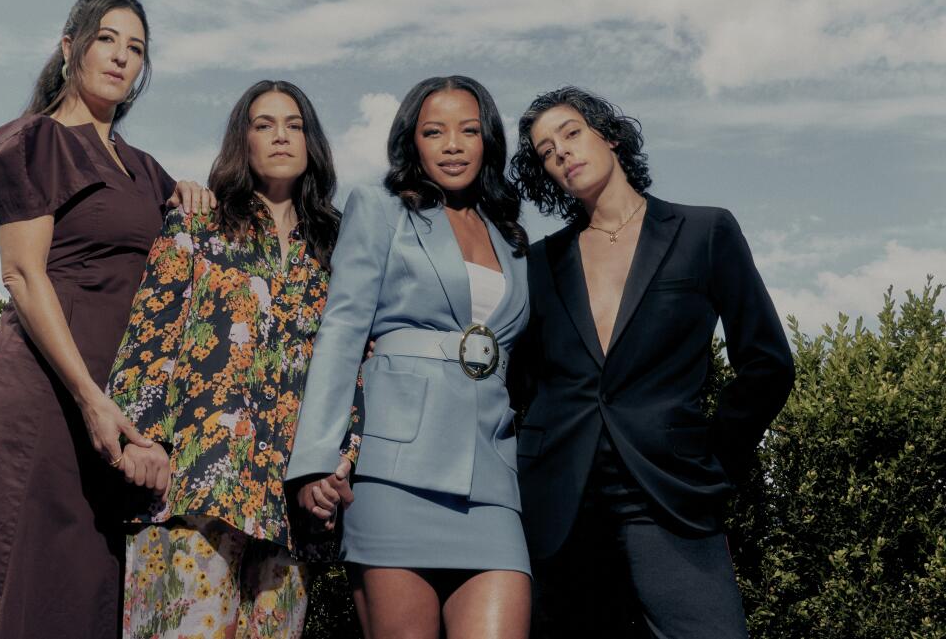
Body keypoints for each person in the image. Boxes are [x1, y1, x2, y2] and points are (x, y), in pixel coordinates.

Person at [0, 0, 210, 639]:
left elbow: (180, 258)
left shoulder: (145, 170)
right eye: (106, 39)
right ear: (70, 47)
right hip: (36, 409)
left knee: (77, 603)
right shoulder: (34, 143)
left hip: (105, 423)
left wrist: (193, 195)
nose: (121, 57)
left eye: (137, 48)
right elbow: (23, 274)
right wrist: (91, 399)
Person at [508, 86, 795, 638]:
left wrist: (712, 457)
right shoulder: (540, 263)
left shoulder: (704, 232)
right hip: (559, 500)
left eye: (571, 133)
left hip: (669, 491)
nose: (561, 152)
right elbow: (523, 381)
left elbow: (766, 362)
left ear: (611, 136)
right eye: (546, 150)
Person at [106, 80, 358, 638]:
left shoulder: (338, 251)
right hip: (195, 484)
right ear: (240, 139)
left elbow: (354, 366)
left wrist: (341, 462)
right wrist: (142, 441)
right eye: (263, 124)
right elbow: (148, 339)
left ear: (312, 141)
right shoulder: (198, 224)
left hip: (290, 502)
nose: (280, 136)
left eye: (294, 125)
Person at [287, 76, 532, 639]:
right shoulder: (380, 208)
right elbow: (344, 328)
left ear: (487, 140)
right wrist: (316, 460)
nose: (452, 144)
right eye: (434, 131)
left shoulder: (511, 239)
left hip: (492, 477)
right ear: (412, 142)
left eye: (468, 130)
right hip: (393, 474)